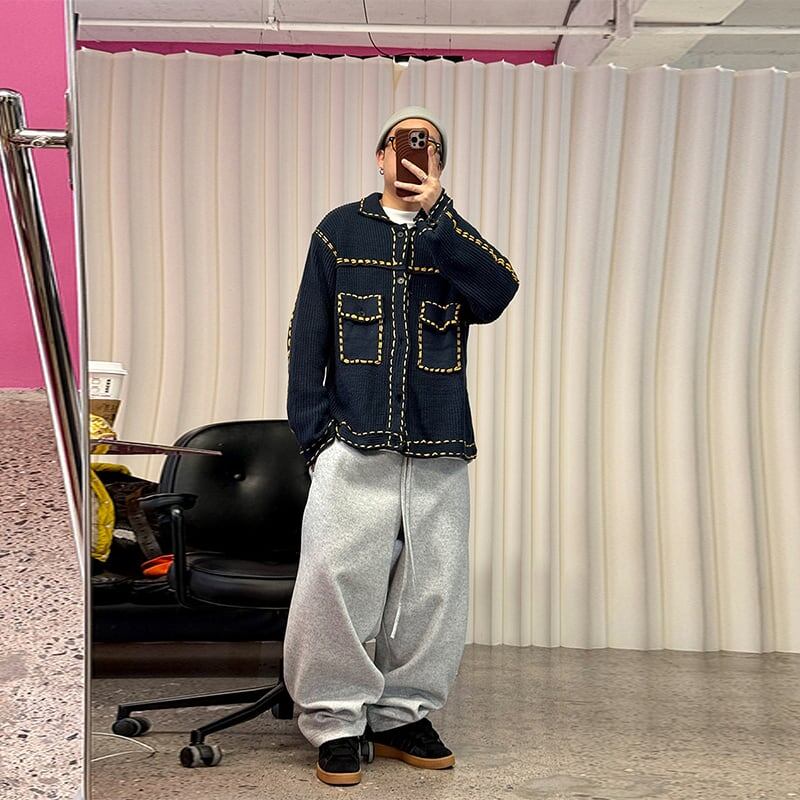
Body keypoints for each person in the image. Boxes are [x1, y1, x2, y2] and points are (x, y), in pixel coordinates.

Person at [284, 105, 519, 786]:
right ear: (381, 156)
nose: (416, 153)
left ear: (438, 163)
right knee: (334, 582)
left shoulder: (453, 236)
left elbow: (497, 292)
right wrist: (316, 440)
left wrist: (440, 214)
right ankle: (334, 719)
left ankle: (402, 716)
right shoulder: (339, 231)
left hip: (438, 440)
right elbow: (307, 338)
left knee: (433, 589)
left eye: (430, 147)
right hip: (353, 439)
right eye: (405, 143)